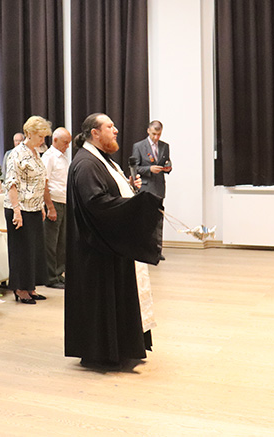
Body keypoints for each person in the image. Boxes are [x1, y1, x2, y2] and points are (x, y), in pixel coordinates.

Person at [65, 113, 164, 370]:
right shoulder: (86, 164)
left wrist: (127, 187)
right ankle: (103, 352)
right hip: (97, 250)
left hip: (109, 248)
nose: (116, 130)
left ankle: (121, 347)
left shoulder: (102, 160)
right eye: (110, 126)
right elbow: (97, 204)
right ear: (95, 133)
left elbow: (107, 192)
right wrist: (137, 205)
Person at [4, 116, 52, 304]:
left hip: (33, 208)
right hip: (20, 208)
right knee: (21, 250)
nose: (42, 140)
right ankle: (20, 289)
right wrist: (16, 210)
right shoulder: (17, 154)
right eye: (40, 136)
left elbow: (39, 182)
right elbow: (12, 183)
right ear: (29, 133)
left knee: (34, 250)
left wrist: (41, 207)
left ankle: (30, 287)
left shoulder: (35, 153)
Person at [42, 127, 71, 289]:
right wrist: (50, 207)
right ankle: (50, 277)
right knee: (51, 243)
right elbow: (44, 183)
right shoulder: (49, 157)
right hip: (54, 202)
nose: (67, 146)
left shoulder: (63, 157)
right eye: (65, 142)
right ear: (55, 140)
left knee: (62, 242)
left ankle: (59, 273)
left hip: (64, 202)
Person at [131, 120, 172, 199]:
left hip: (159, 188)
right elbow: (134, 168)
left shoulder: (165, 146)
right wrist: (149, 169)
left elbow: (166, 162)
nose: (156, 137)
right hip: (145, 187)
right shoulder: (139, 146)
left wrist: (167, 168)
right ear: (148, 131)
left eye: (159, 134)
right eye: (154, 134)